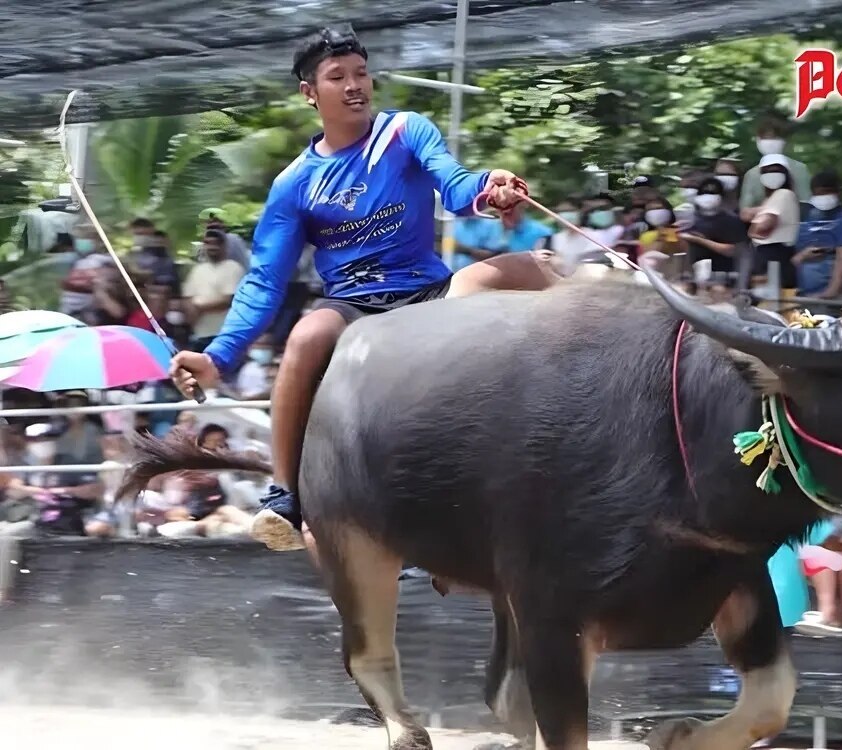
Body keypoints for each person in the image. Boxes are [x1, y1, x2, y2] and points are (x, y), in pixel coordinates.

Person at [167, 28, 553, 552]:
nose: (354, 86)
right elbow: (263, 280)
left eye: (361, 74)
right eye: (337, 77)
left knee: (529, 267)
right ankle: (284, 494)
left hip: (426, 291)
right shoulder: (293, 184)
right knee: (305, 337)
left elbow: (455, 183)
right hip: (351, 303)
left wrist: (489, 191)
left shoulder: (406, 130)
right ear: (310, 94)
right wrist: (219, 357)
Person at [793, 170, 842, 300]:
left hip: (831, 297)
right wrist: (802, 256)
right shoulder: (806, 219)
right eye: (819, 193)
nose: (824, 196)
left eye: (828, 192)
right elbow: (795, 259)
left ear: (838, 193)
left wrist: (830, 293)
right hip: (803, 293)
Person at [182, 229, 246, 352]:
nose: (212, 247)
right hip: (199, 334)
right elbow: (187, 298)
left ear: (224, 246)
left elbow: (227, 301)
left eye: (216, 243)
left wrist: (198, 307)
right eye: (208, 243)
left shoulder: (233, 268)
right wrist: (191, 314)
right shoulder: (197, 270)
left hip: (223, 335)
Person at [738, 114, 811, 217]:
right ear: (758, 141)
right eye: (765, 138)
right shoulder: (752, 175)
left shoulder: (800, 169)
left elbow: (807, 204)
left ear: (784, 141)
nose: (769, 142)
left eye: (774, 138)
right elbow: (745, 212)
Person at [746, 154, 801, 288]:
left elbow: (762, 226)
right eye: (766, 171)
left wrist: (753, 227)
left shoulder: (783, 194)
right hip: (769, 257)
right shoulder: (771, 199)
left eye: (776, 170)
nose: (771, 174)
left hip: (774, 257)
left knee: (772, 303)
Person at [682, 177, 746, 276]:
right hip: (693, 273)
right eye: (704, 193)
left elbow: (734, 251)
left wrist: (699, 240)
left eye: (713, 193)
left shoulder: (732, 221)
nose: (708, 197)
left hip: (724, 273)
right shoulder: (690, 220)